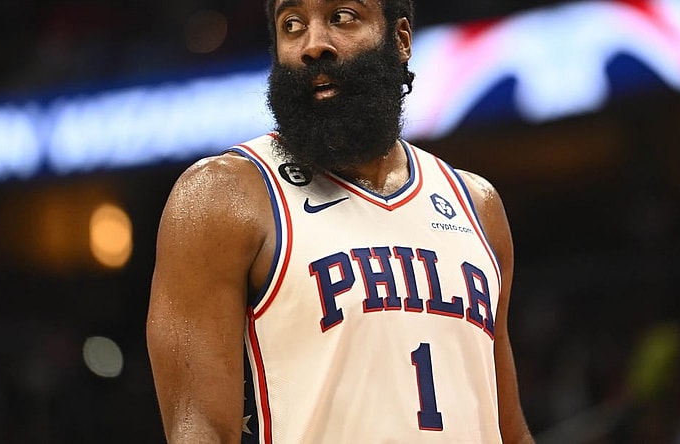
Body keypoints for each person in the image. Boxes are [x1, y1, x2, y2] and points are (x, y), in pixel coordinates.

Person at [147, 0, 535, 442]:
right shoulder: (222, 197)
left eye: (342, 17)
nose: (313, 44)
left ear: (400, 39)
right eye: (292, 24)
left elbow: (510, 431)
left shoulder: (476, 204)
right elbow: (200, 431)